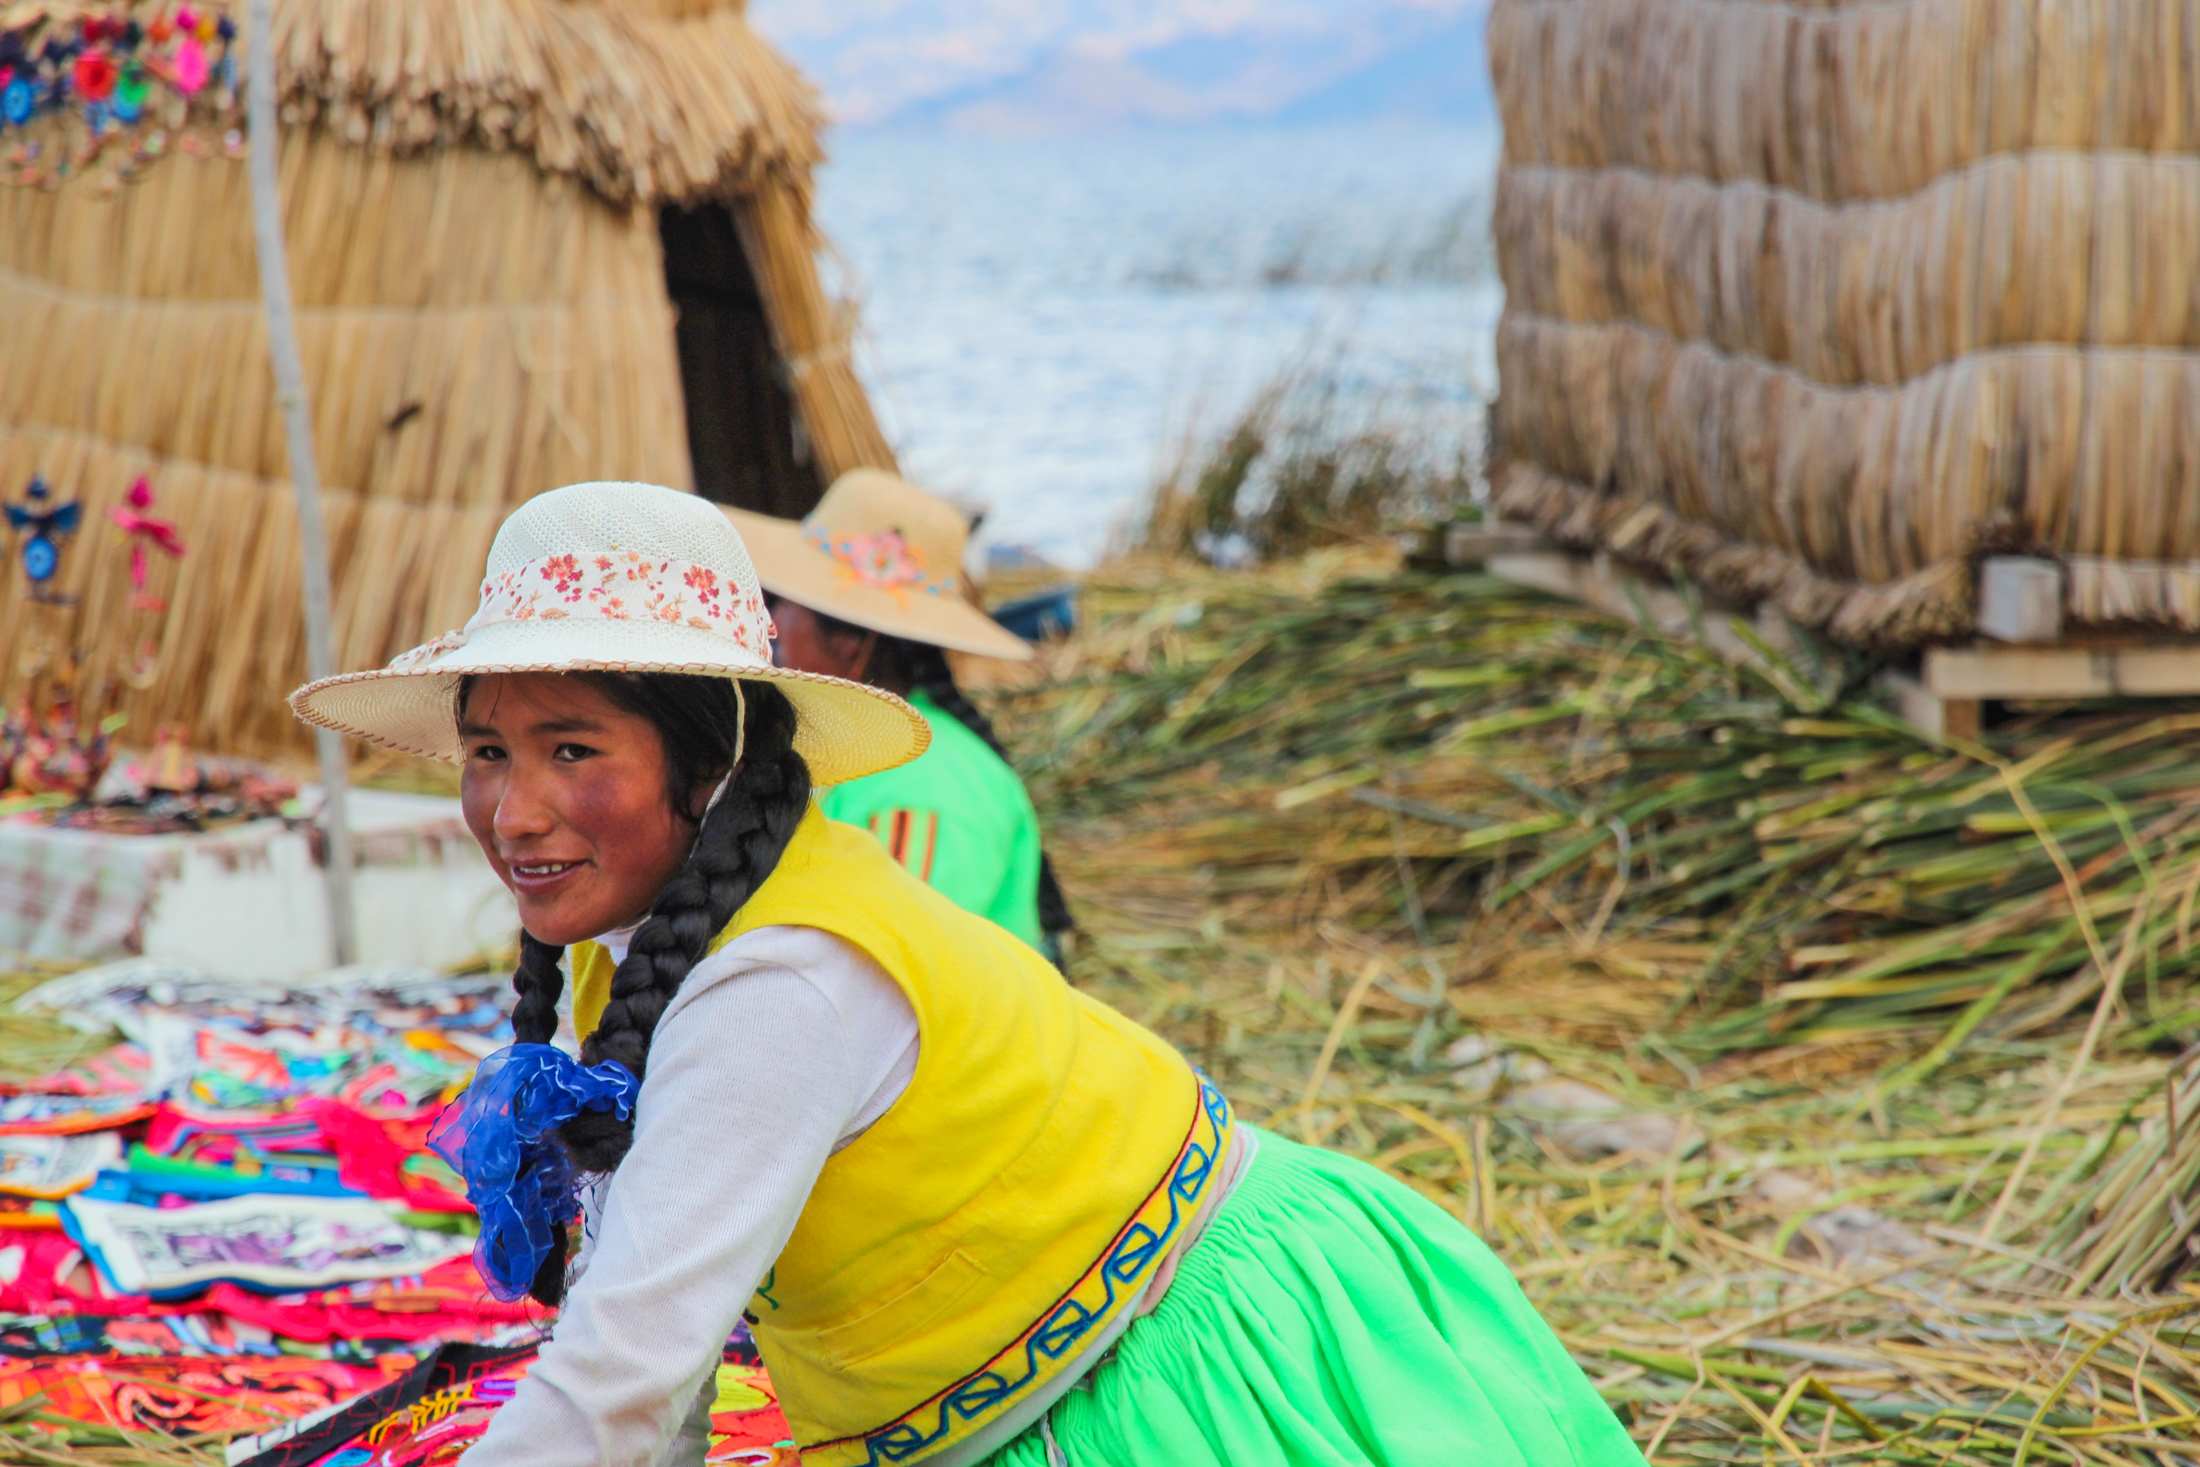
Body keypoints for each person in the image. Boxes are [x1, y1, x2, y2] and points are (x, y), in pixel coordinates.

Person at [291, 481, 1642, 1467]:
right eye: (488, 752)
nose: (515, 809)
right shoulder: (635, 951)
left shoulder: (783, 985)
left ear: (710, 762)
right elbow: (644, 1357)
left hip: (1178, 1367)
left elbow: (619, 1381)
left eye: (573, 749)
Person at [722, 469, 1069, 958]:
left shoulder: (921, 786)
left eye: (781, 603)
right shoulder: (866, 747)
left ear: (851, 641)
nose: (769, 622)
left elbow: (892, 964)